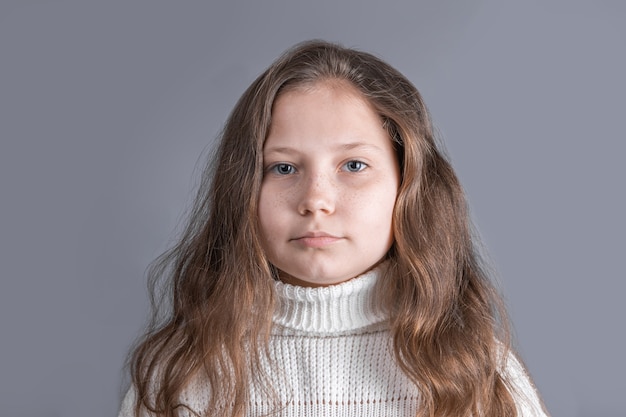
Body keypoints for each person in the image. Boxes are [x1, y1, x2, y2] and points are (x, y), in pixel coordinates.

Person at [118, 40, 549, 417]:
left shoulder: (477, 371)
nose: (315, 200)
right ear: (241, 190)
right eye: (284, 168)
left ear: (408, 184)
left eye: (354, 166)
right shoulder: (179, 374)